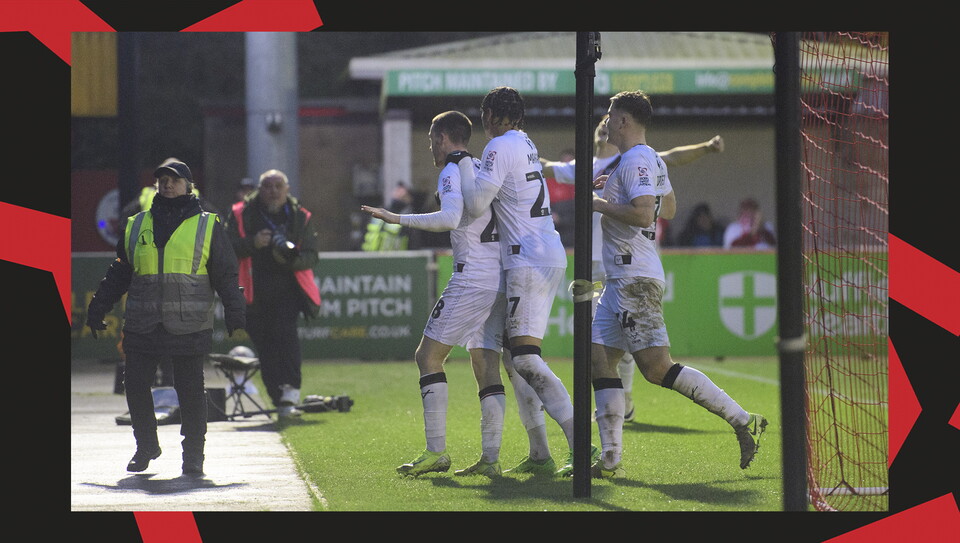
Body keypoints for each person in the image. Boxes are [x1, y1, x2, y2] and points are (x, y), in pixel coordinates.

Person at [589, 90, 767, 478]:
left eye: (610, 113)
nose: (606, 119)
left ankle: (743, 419)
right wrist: (621, 193)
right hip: (624, 278)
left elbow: (641, 215)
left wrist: (601, 203)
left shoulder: (636, 159)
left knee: (656, 369)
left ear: (623, 121)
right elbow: (666, 207)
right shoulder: (647, 159)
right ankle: (609, 458)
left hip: (634, 277)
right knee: (598, 357)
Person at [541, 119, 725, 424]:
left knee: (624, 337)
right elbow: (546, 166)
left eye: (607, 123)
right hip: (590, 263)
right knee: (591, 334)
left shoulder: (630, 160)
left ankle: (623, 397)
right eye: (599, 124)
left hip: (624, 260)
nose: (602, 127)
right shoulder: (582, 166)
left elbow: (673, 156)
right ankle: (612, 401)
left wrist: (705, 147)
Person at [362, 110, 511, 477]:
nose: (430, 145)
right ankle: (490, 458)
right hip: (499, 276)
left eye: (431, 138)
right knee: (485, 363)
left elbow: (447, 219)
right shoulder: (480, 166)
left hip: (472, 276)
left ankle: (436, 452)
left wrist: (396, 218)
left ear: (443, 137)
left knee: (427, 357)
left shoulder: (450, 170)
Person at [456, 86, 595, 477]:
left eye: (484, 114)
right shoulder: (525, 143)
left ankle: (583, 444)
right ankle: (539, 453)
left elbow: (478, 203)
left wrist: (465, 164)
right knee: (514, 359)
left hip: (528, 259)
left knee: (526, 358)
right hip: (540, 253)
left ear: (490, 115)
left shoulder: (500, 147)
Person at [85, 157, 246, 475]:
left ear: (189, 186)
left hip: (188, 322)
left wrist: (235, 312)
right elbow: (120, 272)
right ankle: (146, 446)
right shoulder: (136, 223)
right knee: (134, 386)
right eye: (163, 179)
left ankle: (193, 457)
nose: (168, 183)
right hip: (143, 321)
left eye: (175, 179)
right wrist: (98, 306)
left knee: (189, 390)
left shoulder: (207, 224)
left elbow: (226, 274)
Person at [223, 169, 322, 419]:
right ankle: (279, 399)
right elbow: (223, 247)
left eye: (279, 186)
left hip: (288, 291)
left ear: (287, 189)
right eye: (268, 186)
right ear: (259, 189)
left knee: (286, 337)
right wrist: (252, 244)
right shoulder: (241, 213)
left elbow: (312, 255)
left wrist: (289, 258)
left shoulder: (300, 217)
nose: (274, 191)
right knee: (265, 346)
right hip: (251, 293)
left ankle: (291, 390)